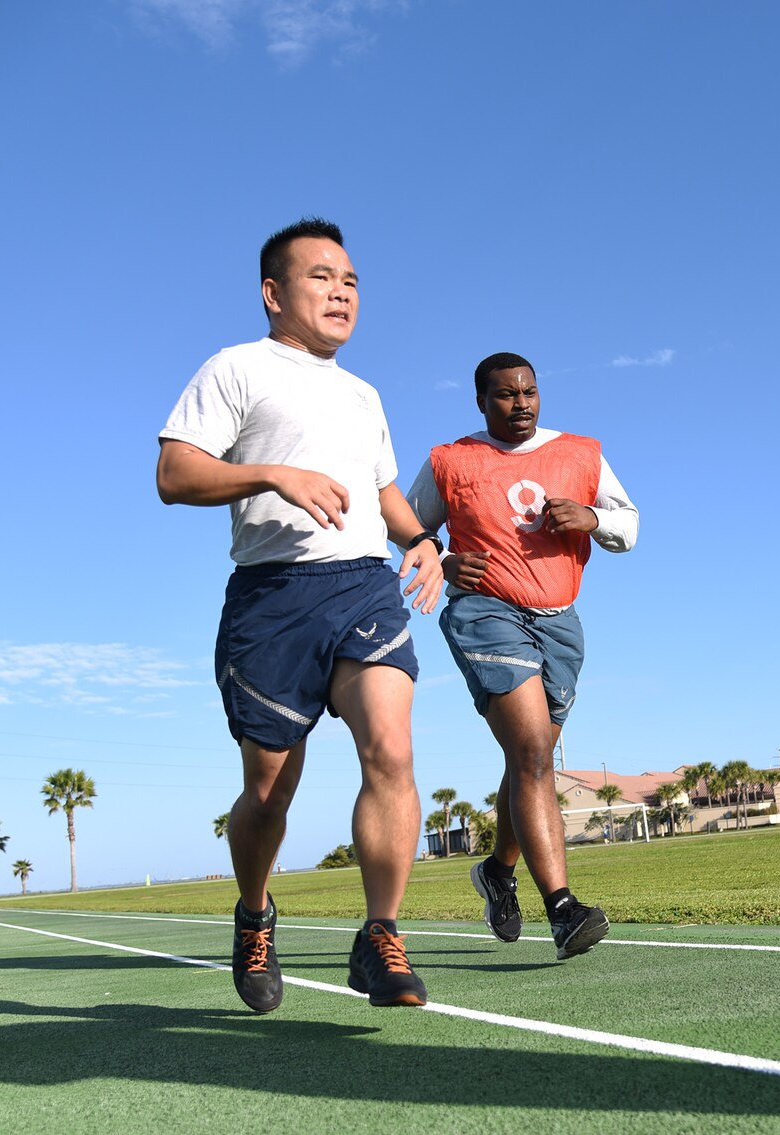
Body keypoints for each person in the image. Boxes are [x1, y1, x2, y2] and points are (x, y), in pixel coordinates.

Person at [156, 218, 444, 1013]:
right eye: (321, 277)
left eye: (350, 280)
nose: (342, 290)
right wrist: (273, 474)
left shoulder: (365, 394)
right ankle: (255, 912)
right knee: (268, 795)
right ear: (273, 293)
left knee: (391, 747)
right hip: (271, 598)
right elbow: (175, 473)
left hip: (361, 587)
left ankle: (381, 934)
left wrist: (420, 539)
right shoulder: (235, 368)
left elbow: (381, 491)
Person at [405, 352, 638, 960]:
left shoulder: (581, 453)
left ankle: (498, 871)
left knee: (526, 757)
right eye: (506, 395)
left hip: (561, 622)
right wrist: (443, 559)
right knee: (533, 750)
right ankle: (562, 909)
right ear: (482, 402)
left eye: (529, 392)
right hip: (484, 612)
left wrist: (590, 518)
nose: (522, 404)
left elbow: (629, 525)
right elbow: (407, 525)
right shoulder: (452, 461)